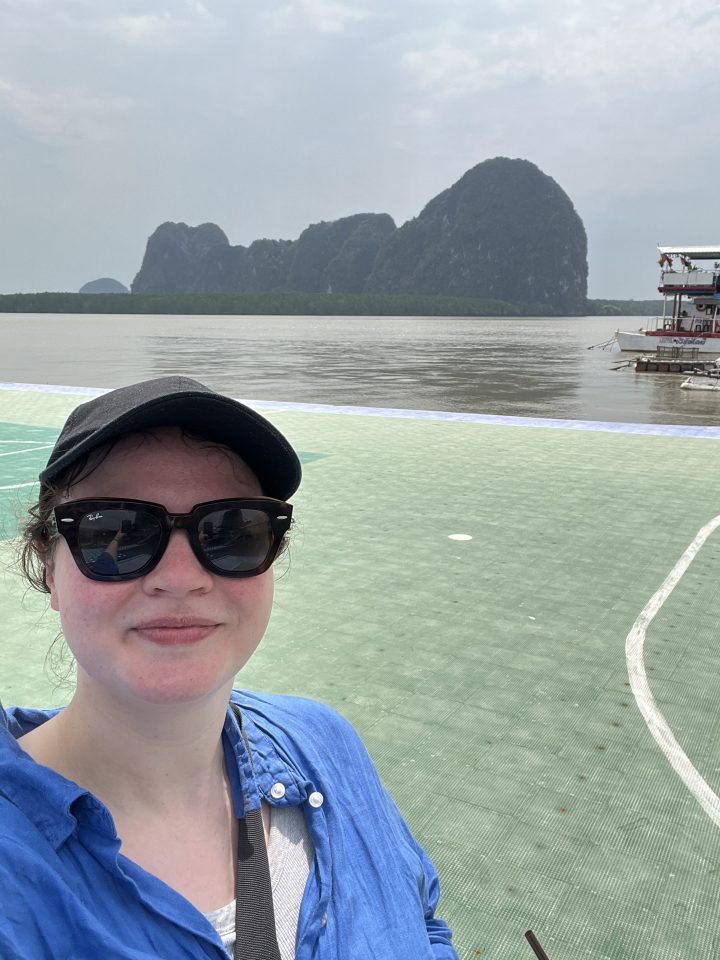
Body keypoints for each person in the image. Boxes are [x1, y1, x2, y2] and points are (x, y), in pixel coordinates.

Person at [0, 376, 458, 960]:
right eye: (115, 532)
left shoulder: (322, 739)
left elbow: (422, 920)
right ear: (49, 568)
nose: (182, 577)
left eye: (233, 531)